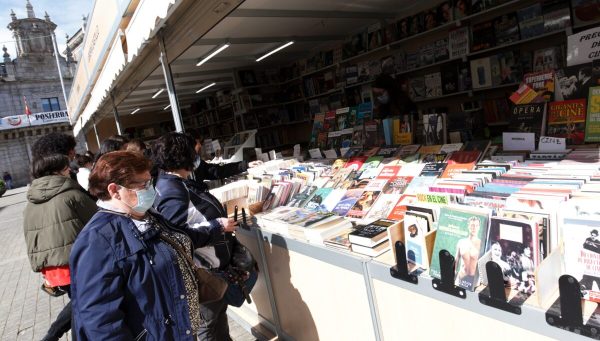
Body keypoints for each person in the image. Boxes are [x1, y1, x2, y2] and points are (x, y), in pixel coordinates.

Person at [70, 151, 222, 340]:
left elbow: (180, 239)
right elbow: (101, 321)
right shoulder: (97, 240)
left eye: (150, 181)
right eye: (142, 184)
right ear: (114, 190)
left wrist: (215, 228)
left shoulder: (146, 216)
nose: (150, 189)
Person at [151, 132, 256, 341]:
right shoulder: (172, 189)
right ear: (185, 155)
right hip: (202, 271)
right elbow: (178, 236)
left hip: (211, 266)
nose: (198, 156)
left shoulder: (174, 182)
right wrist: (216, 226)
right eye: (194, 151)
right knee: (208, 325)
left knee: (218, 323)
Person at [22, 153, 97, 341]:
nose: (69, 171)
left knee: (79, 303)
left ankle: (53, 335)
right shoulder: (72, 195)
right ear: (57, 171)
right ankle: (55, 335)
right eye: (66, 168)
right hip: (79, 263)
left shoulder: (31, 202)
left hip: (53, 268)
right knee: (84, 307)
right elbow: (98, 221)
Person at [187, 129, 261, 182]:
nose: (200, 145)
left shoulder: (198, 162)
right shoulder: (184, 170)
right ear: (190, 144)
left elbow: (219, 171)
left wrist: (246, 165)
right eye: (197, 142)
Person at [454, 216, 482, 289]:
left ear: (479, 227)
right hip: (461, 277)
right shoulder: (461, 242)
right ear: (468, 226)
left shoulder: (481, 244)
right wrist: (452, 273)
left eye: (476, 225)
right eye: (472, 225)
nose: (474, 228)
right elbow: (456, 260)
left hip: (474, 281)